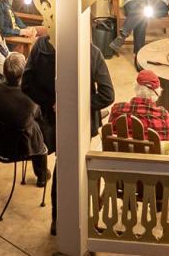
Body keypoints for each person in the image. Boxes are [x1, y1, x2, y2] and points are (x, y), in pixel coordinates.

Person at [25, 29, 114, 236]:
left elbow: (26, 86)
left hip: (52, 120)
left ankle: (58, 219)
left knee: (62, 165)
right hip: (80, 122)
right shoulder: (91, 52)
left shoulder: (40, 47)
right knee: (77, 167)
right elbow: (107, 95)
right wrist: (78, 104)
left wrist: (52, 103)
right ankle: (80, 220)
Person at [0, 52, 50, 184]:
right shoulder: (29, 98)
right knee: (37, 128)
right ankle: (42, 174)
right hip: (17, 148)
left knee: (30, 125)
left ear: (4, 71)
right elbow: (40, 119)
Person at [106, 70, 169, 156]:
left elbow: (110, 134)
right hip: (153, 167)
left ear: (136, 87)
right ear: (157, 93)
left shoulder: (117, 110)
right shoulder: (165, 117)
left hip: (121, 162)